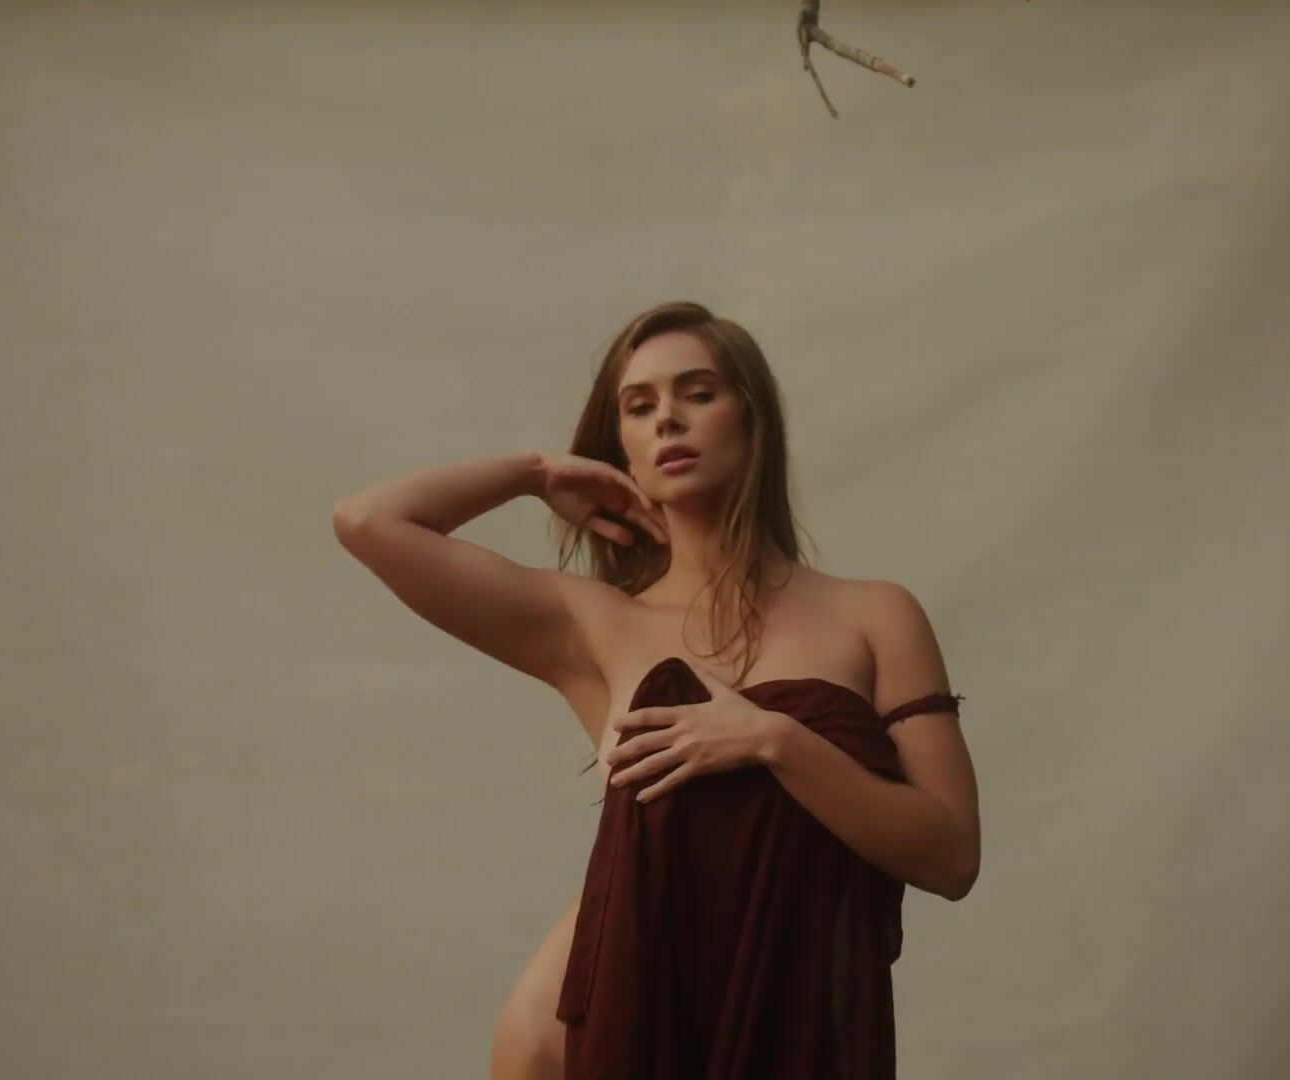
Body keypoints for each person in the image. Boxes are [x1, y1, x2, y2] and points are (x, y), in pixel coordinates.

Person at [331, 300, 981, 1079]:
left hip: (806, 1036)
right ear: (622, 452)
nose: (668, 418)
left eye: (698, 393)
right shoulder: (595, 624)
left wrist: (774, 739)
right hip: (630, 1035)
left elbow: (951, 857)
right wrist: (537, 472)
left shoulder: (875, 616)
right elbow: (369, 521)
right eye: (639, 408)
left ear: (753, 418)